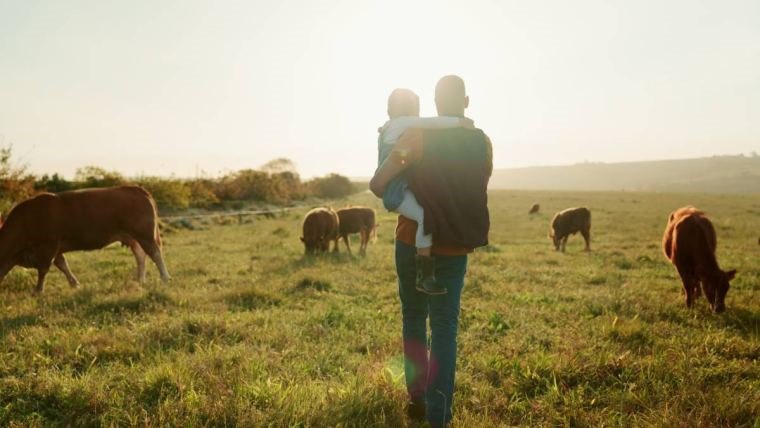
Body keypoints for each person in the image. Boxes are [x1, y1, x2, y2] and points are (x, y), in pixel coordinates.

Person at [370, 75, 493, 427]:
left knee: (413, 317)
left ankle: (416, 400)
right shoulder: (482, 142)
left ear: (434, 104)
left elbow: (379, 184)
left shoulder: (416, 136)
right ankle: (439, 419)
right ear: (465, 102)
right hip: (454, 245)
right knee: (444, 329)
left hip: (411, 240)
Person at [377, 88, 472, 295]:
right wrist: (459, 123)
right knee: (425, 216)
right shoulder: (404, 123)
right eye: (416, 108)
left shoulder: (390, 126)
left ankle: (424, 272)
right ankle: (425, 275)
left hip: (398, 188)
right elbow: (433, 123)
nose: (419, 114)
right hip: (396, 191)